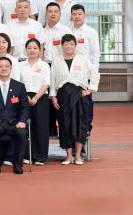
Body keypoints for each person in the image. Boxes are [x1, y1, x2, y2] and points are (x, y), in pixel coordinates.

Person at [51, 34, 99, 166]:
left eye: (72, 44)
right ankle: (68, 156)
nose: (69, 46)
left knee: (80, 125)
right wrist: (53, 96)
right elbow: (52, 79)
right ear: (61, 46)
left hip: (79, 95)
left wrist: (90, 89)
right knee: (64, 124)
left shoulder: (83, 60)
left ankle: (78, 155)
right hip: (62, 95)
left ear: (75, 46)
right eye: (66, 44)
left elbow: (95, 73)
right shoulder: (56, 61)